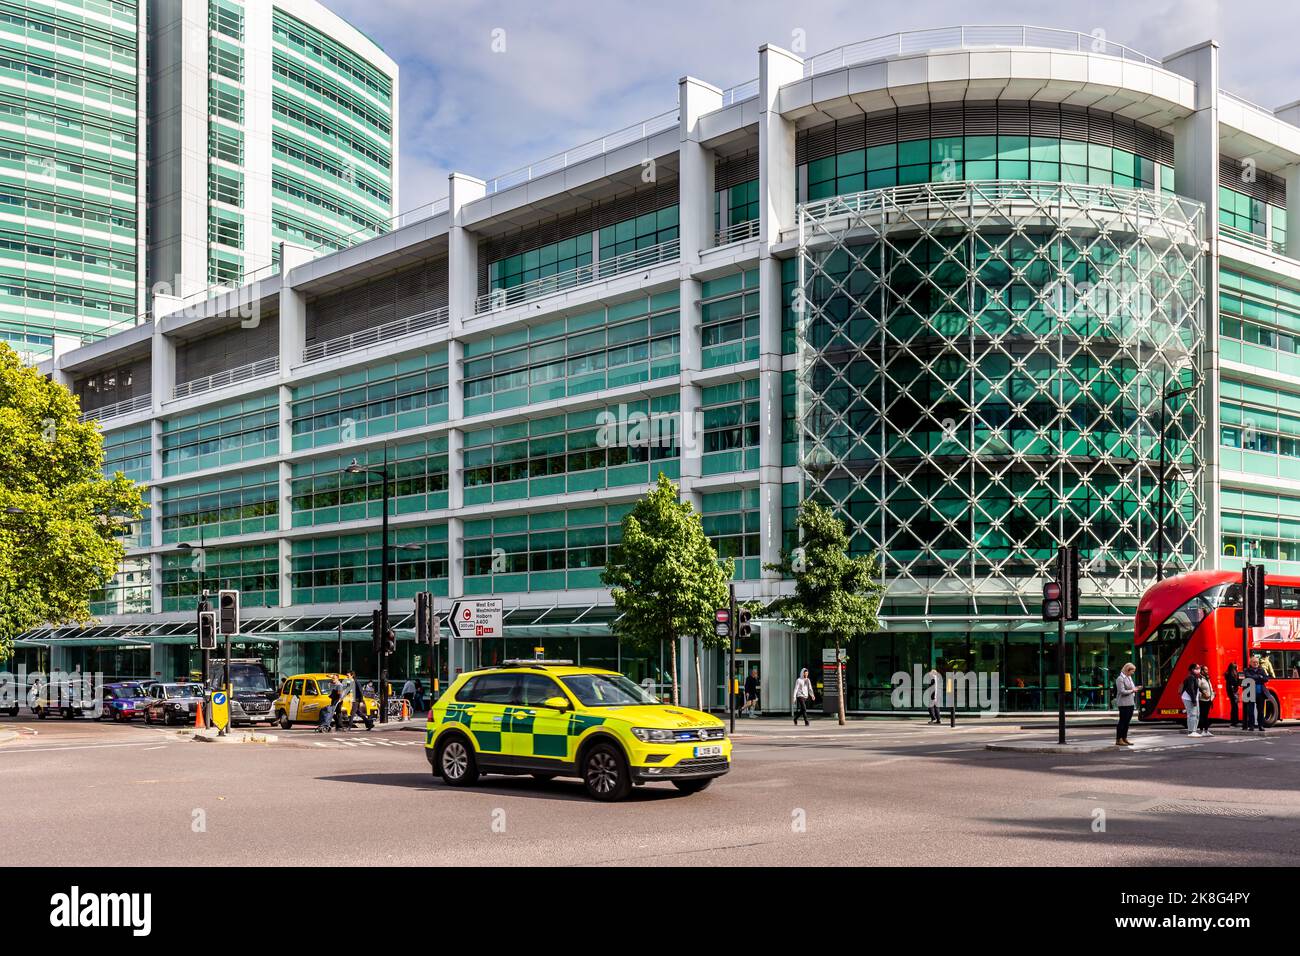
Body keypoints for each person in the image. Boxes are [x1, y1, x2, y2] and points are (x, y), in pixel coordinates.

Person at [1114, 662, 1142, 746]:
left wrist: (1136, 688)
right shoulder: (1120, 679)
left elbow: (1131, 688)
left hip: (1130, 703)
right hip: (1123, 703)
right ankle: (1118, 739)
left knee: (1127, 722)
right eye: (1132, 671)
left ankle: (1124, 738)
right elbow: (1122, 691)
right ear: (1127, 670)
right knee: (1122, 721)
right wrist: (1133, 690)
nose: (1133, 673)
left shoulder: (1128, 677)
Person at [1241, 655, 1270, 733]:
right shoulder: (1247, 670)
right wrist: (1259, 677)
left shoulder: (1261, 670)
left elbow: (1266, 679)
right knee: (1250, 711)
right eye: (1254, 662)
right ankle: (1251, 726)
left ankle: (1261, 726)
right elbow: (1248, 677)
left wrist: (1257, 677)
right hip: (1251, 693)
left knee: (1260, 711)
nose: (1256, 663)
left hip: (1260, 693)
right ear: (1250, 663)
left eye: (1257, 662)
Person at [1180, 663, 1202, 737]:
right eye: (1197, 668)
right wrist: (1193, 700)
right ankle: (1192, 731)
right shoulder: (1191, 678)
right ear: (1192, 669)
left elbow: (1196, 689)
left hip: (1193, 698)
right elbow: (1190, 689)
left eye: (1199, 668)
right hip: (1189, 698)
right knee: (1192, 714)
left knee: (1197, 714)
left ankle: (1192, 731)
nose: (1199, 669)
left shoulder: (1195, 677)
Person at [1196, 663, 1215, 736]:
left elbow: (1210, 688)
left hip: (1208, 700)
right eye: (1206, 670)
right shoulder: (1200, 678)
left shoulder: (1206, 678)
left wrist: (1212, 695)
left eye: (1207, 669)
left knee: (1206, 715)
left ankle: (1206, 730)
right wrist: (1203, 694)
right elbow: (1197, 688)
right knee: (1203, 715)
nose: (1207, 671)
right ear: (1202, 671)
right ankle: (1202, 730)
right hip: (1203, 700)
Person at [1225, 662, 1240, 727]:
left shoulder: (1229, 674)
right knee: (1235, 707)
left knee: (1234, 707)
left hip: (1231, 693)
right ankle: (1234, 722)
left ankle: (1234, 721)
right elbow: (1236, 683)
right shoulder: (1232, 675)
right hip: (1233, 693)